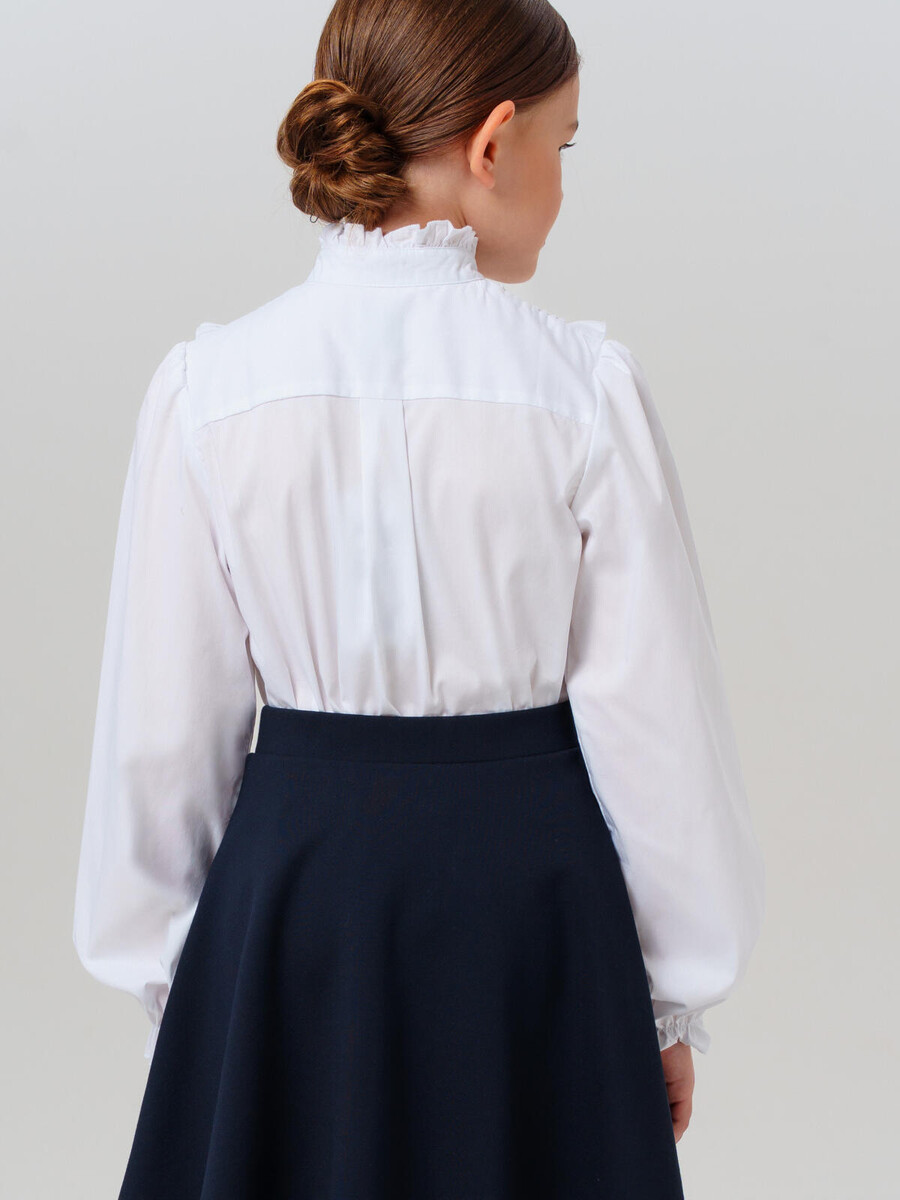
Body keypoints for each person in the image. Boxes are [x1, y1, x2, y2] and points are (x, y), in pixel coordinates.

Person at [72, 0, 766, 1196]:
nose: (565, 180)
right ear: (493, 144)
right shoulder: (582, 390)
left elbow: (160, 741)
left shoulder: (210, 389)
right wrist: (668, 998)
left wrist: (192, 994)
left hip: (289, 918)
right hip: (533, 921)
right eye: (564, 143)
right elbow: (658, 733)